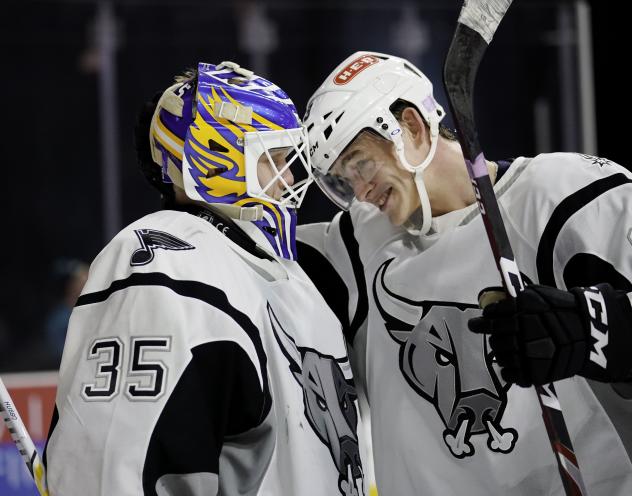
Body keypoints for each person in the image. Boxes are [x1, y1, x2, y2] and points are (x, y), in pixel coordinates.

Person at [296, 51, 632, 495]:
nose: (361, 191)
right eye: (344, 179)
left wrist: (592, 327)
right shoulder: (359, 246)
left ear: (412, 127)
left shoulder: (559, 197)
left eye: (361, 163)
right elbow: (246, 263)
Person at [44, 61, 366, 496]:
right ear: (215, 158)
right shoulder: (168, 260)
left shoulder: (284, 274)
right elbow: (116, 470)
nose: (290, 178)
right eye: (273, 159)